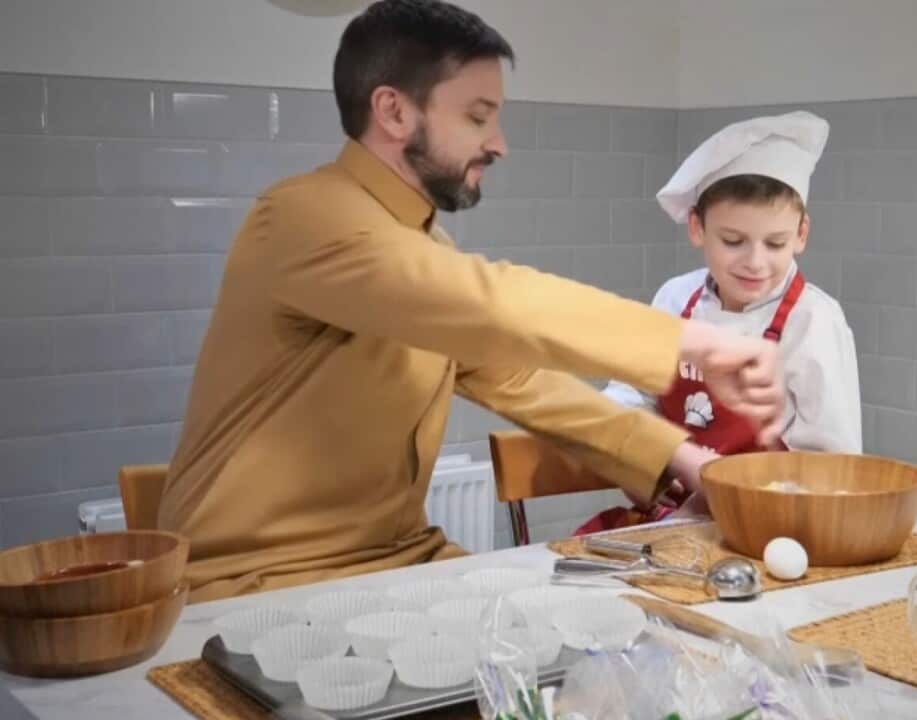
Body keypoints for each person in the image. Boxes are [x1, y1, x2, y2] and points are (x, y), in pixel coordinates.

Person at [157, 0, 785, 602]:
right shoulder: (299, 217)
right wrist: (692, 343)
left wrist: (681, 456)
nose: (499, 143)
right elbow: (485, 301)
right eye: (477, 116)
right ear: (394, 112)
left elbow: (516, 377)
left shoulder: (423, 244)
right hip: (257, 581)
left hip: (400, 560)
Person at [577, 111, 862, 534]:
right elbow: (628, 398)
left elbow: (834, 466)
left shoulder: (814, 320)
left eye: (776, 242)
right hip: (669, 522)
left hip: (770, 528)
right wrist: (646, 461)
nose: (755, 261)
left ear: (801, 234)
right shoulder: (676, 299)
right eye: (733, 241)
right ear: (697, 228)